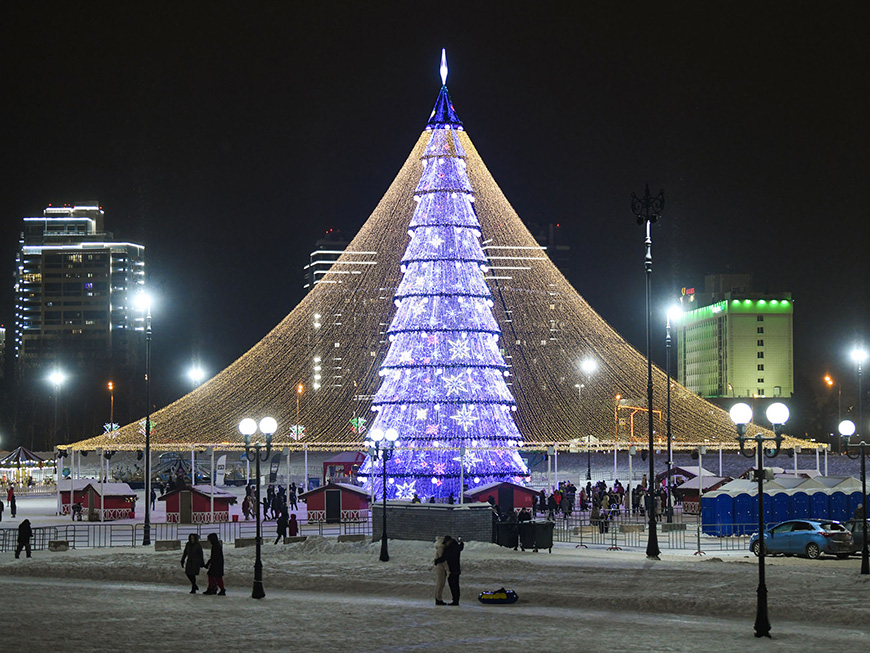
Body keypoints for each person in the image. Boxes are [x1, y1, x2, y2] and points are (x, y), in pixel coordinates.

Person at [434, 535, 463, 605]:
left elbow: (445, 557)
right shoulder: (456, 546)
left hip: (452, 569)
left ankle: (454, 601)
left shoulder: (450, 548)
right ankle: (455, 600)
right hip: (456, 569)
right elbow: (461, 548)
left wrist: (437, 561)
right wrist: (462, 543)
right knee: (455, 585)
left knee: (453, 585)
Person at [433, 536, 449, 605]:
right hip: (441, 568)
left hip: (440, 567)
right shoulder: (441, 548)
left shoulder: (439, 548)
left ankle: (438, 597)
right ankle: (438, 598)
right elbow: (442, 559)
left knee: (440, 583)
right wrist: (447, 568)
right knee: (441, 583)